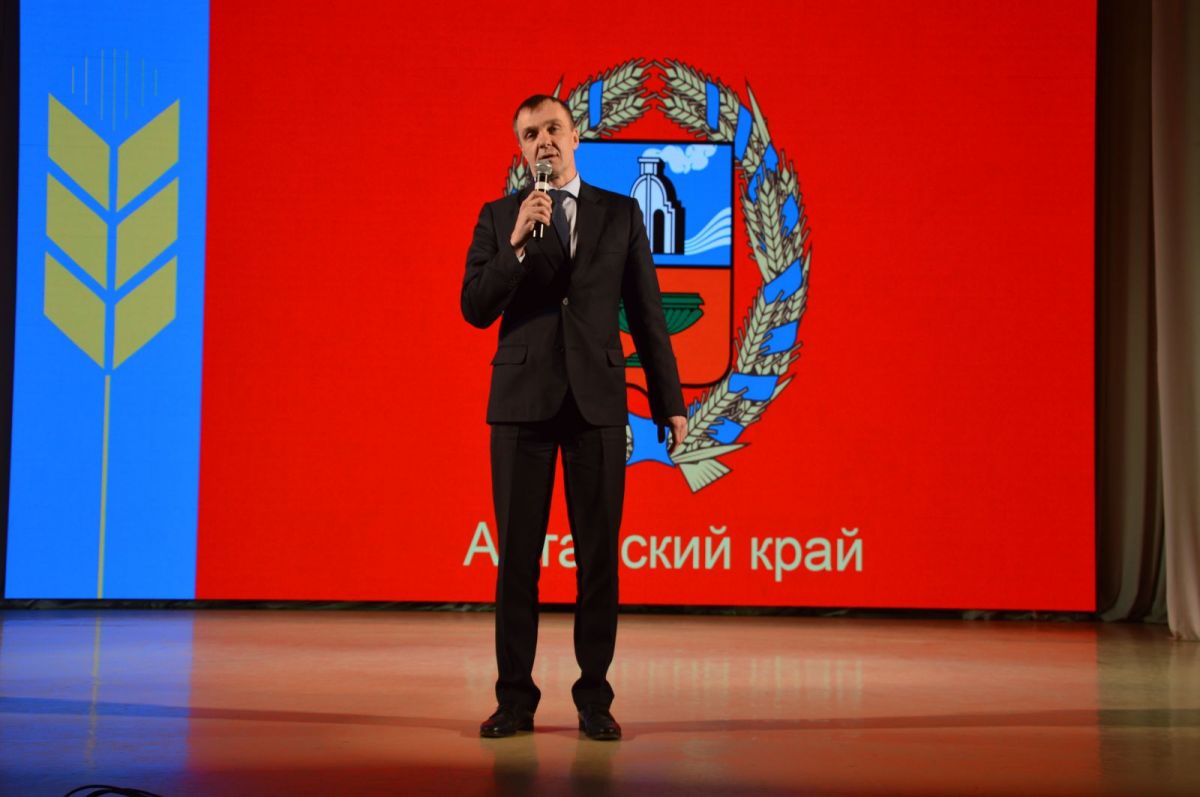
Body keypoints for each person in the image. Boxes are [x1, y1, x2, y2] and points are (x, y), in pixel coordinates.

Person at [460, 94, 687, 741]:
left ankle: (594, 698)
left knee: (597, 558)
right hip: (521, 405)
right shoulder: (499, 216)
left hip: (596, 402)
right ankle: (514, 700)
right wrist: (514, 246)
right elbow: (474, 307)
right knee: (517, 560)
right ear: (520, 149)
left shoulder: (620, 213)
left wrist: (669, 401)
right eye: (530, 134)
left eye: (553, 128)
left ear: (575, 135)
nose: (544, 141)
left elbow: (647, 311)